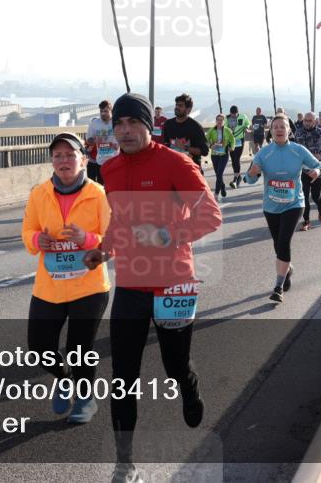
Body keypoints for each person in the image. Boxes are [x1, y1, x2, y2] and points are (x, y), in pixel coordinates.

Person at [82, 93, 221, 483]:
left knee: (175, 365)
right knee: (122, 378)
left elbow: (211, 215)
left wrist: (167, 234)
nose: (124, 131)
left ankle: (188, 388)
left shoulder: (176, 163)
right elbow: (119, 223)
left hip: (174, 282)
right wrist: (102, 251)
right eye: (119, 125)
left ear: (149, 125)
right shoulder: (108, 169)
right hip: (131, 283)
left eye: (132, 124)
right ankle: (125, 465)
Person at [21, 132, 111, 424]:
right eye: (57, 155)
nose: (63, 161)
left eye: (70, 154)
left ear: (83, 159)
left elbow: (113, 240)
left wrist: (87, 239)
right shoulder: (39, 193)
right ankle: (64, 377)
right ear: (51, 161)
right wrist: (37, 240)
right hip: (50, 286)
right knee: (38, 348)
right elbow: (27, 233)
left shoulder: (98, 194)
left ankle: (86, 398)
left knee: (79, 348)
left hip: (89, 286)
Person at [245, 115, 321, 301]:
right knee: (277, 243)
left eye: (283, 126)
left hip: (294, 203)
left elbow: (319, 165)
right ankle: (287, 269)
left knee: (283, 242)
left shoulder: (298, 150)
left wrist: (317, 172)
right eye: (276, 127)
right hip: (271, 206)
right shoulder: (264, 153)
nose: (279, 129)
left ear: (289, 130)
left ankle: (278, 286)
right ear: (270, 132)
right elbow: (249, 179)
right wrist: (252, 173)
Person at [293, 112, 321, 231]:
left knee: (315, 195)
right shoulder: (298, 133)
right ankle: (306, 221)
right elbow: (292, 149)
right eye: (305, 120)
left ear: (315, 121)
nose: (307, 123)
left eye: (310, 121)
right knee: (304, 195)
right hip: (303, 170)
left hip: (318, 169)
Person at [161, 93, 208, 168]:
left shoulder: (196, 127)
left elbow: (204, 151)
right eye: (176, 105)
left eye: (180, 105)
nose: (177, 107)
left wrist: (185, 148)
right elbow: (166, 144)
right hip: (172, 169)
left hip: (191, 170)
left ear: (188, 109)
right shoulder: (168, 124)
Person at [86, 100, 119, 185]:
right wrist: (95, 140)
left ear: (111, 111)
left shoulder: (117, 122)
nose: (103, 114)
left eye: (105, 111)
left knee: (114, 186)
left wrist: (118, 145)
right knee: (101, 187)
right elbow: (88, 140)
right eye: (101, 111)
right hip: (101, 161)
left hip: (115, 160)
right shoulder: (95, 123)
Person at [206, 114, 235, 200]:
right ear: (216, 121)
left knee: (219, 173)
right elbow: (205, 141)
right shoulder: (211, 130)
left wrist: (232, 147)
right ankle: (222, 186)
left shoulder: (227, 130)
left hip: (224, 154)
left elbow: (232, 140)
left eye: (221, 120)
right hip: (214, 155)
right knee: (218, 175)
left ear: (223, 121)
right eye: (218, 120)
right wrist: (211, 145)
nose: (219, 121)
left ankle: (216, 193)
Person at [225, 105, 249, 189]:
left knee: (236, 159)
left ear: (237, 113)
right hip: (231, 141)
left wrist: (246, 128)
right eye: (232, 115)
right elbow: (225, 128)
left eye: (235, 115)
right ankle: (238, 177)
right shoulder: (227, 118)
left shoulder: (243, 116)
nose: (233, 116)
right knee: (233, 160)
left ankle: (235, 179)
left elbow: (247, 123)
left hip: (240, 140)